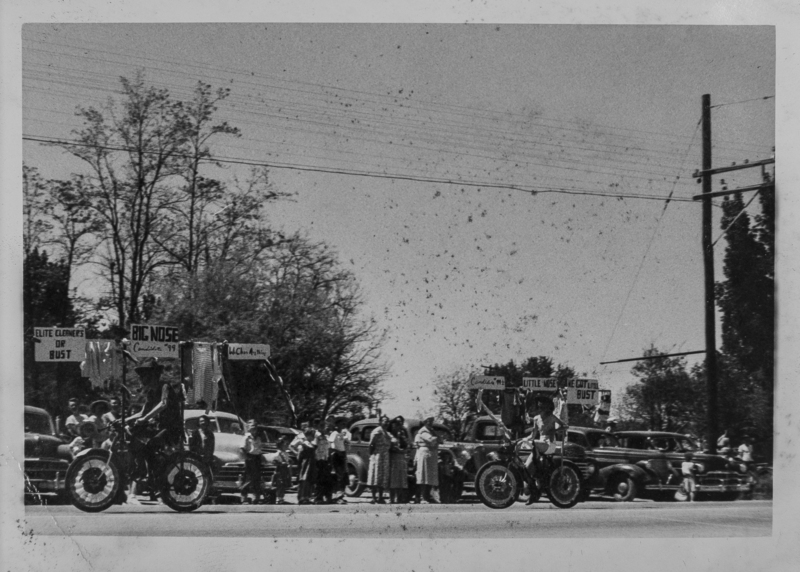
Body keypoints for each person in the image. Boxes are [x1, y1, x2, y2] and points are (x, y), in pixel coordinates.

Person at [126, 358, 184, 493]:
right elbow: (142, 412)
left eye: (144, 375)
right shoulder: (151, 392)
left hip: (172, 428)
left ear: (152, 375)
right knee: (133, 434)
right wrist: (124, 419)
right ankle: (143, 469)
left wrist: (145, 418)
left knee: (150, 445)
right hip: (160, 427)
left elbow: (163, 404)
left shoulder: (165, 386)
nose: (141, 378)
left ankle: (154, 475)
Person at [524, 397, 568, 505]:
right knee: (526, 468)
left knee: (534, 444)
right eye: (539, 407)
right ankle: (534, 490)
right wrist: (523, 439)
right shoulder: (536, 418)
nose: (540, 409)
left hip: (550, 445)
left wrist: (555, 430)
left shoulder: (552, 417)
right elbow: (533, 435)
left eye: (542, 407)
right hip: (540, 445)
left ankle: (538, 474)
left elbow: (565, 426)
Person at [413, 416, 440, 504]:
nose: (431, 422)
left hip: (431, 455)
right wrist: (437, 438)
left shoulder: (431, 431)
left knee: (429, 477)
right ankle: (421, 497)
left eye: (432, 421)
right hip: (424, 454)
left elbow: (440, 440)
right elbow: (431, 440)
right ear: (425, 421)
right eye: (429, 421)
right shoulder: (423, 431)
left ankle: (427, 496)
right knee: (423, 476)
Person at [290, 423, 318, 505]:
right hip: (304, 463)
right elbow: (291, 446)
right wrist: (296, 454)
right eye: (312, 435)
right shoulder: (302, 442)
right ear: (308, 435)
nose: (313, 437)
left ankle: (307, 497)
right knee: (303, 479)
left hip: (311, 462)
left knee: (309, 480)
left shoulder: (311, 444)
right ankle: (301, 497)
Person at [367, 415, 392, 504]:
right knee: (375, 476)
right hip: (377, 455)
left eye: (387, 421)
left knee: (383, 477)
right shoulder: (377, 431)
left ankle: (380, 497)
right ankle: (374, 497)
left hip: (385, 456)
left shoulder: (387, 433)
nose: (386, 423)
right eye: (384, 421)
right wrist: (372, 454)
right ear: (380, 422)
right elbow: (371, 444)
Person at [240, 420, 265, 504]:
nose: (254, 428)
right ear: (248, 428)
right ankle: (244, 497)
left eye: (255, 426)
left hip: (257, 458)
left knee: (257, 478)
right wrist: (246, 458)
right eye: (252, 426)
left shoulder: (258, 438)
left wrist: (261, 457)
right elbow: (242, 448)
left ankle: (256, 497)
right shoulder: (246, 437)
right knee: (248, 478)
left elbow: (259, 449)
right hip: (249, 457)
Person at [327, 417, 349, 503]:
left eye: (343, 424)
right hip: (337, 455)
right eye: (341, 424)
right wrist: (336, 451)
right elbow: (331, 443)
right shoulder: (334, 433)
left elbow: (345, 443)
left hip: (342, 454)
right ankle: (336, 496)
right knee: (337, 476)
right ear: (336, 425)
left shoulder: (341, 434)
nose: (342, 425)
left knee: (342, 475)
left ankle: (340, 495)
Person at [388, 416, 409, 503]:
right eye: (397, 423)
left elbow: (407, 445)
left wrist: (403, 448)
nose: (399, 424)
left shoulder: (403, 433)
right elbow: (390, 447)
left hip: (401, 457)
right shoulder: (390, 434)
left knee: (401, 478)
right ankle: (392, 498)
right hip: (393, 457)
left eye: (401, 423)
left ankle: (399, 497)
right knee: (393, 478)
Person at [314, 420, 333, 504]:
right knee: (319, 480)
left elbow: (328, 448)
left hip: (325, 459)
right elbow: (314, 446)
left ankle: (327, 496)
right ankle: (318, 497)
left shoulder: (326, 437)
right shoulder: (316, 436)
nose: (325, 428)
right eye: (322, 426)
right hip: (318, 460)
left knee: (326, 479)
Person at [271, 436, 292, 505]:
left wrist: (290, 462)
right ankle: (278, 498)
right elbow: (274, 461)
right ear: (280, 445)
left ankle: (282, 497)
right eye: (285, 444)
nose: (287, 446)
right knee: (280, 484)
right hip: (280, 471)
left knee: (284, 484)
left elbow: (288, 460)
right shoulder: (278, 453)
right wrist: (280, 463)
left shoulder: (286, 453)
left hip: (285, 470)